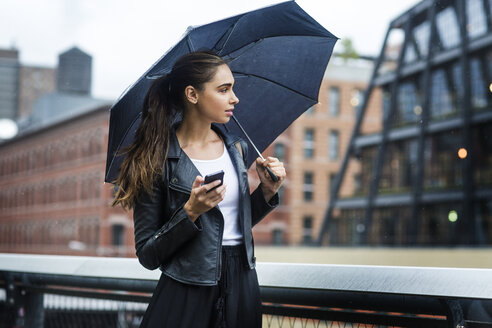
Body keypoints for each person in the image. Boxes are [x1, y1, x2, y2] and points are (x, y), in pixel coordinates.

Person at [112, 51, 286, 328]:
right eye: (223, 90)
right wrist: (191, 211)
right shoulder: (154, 160)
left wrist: (265, 192)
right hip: (187, 289)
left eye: (233, 88)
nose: (234, 98)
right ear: (192, 94)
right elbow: (148, 254)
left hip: (242, 281)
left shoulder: (236, 148)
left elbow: (232, 225)